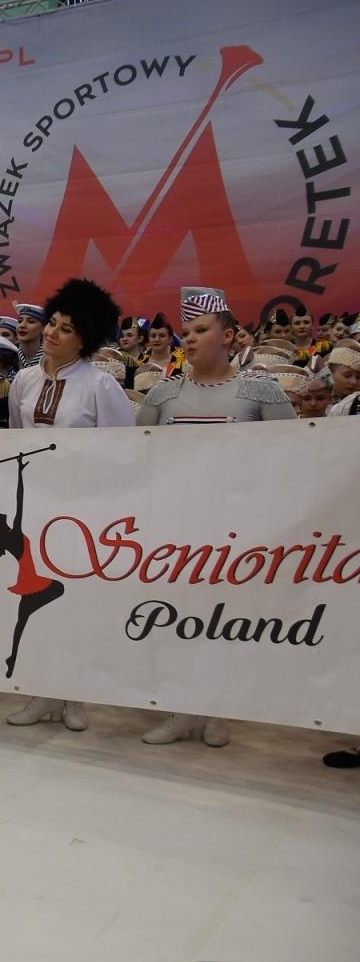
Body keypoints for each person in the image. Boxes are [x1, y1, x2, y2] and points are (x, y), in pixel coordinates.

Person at [133, 288, 293, 747]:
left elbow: (294, 459)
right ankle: (181, 708)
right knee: (176, 618)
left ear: (228, 336)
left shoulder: (261, 390)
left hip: (237, 529)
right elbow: (133, 460)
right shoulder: (163, 393)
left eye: (200, 331)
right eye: (185, 332)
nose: (189, 339)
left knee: (227, 621)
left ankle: (222, 708)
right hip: (173, 529)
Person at [4, 278, 134, 731]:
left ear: (85, 339)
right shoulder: (23, 381)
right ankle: (41, 692)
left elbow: (124, 453)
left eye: (66, 329)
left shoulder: (100, 386)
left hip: (82, 515)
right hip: (34, 509)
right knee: (35, 601)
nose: (53, 334)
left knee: (76, 604)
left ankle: (75, 696)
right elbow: (14, 443)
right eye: (52, 324)